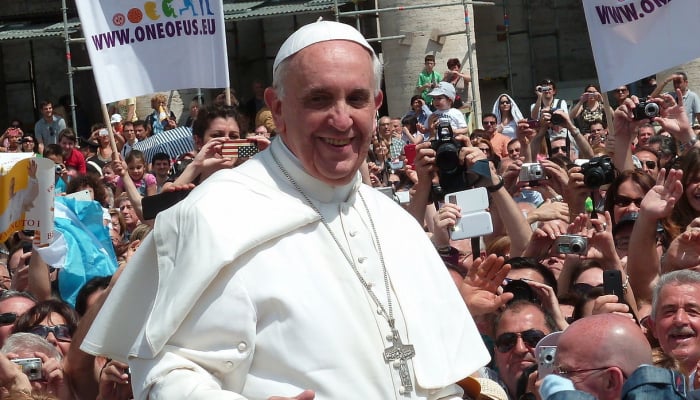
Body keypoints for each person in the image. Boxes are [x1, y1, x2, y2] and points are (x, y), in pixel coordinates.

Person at [82, 20, 488, 399]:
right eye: (320, 99)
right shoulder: (213, 215)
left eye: (357, 99)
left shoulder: (396, 224)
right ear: (277, 108)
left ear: (377, 104)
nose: (342, 119)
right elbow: (163, 373)